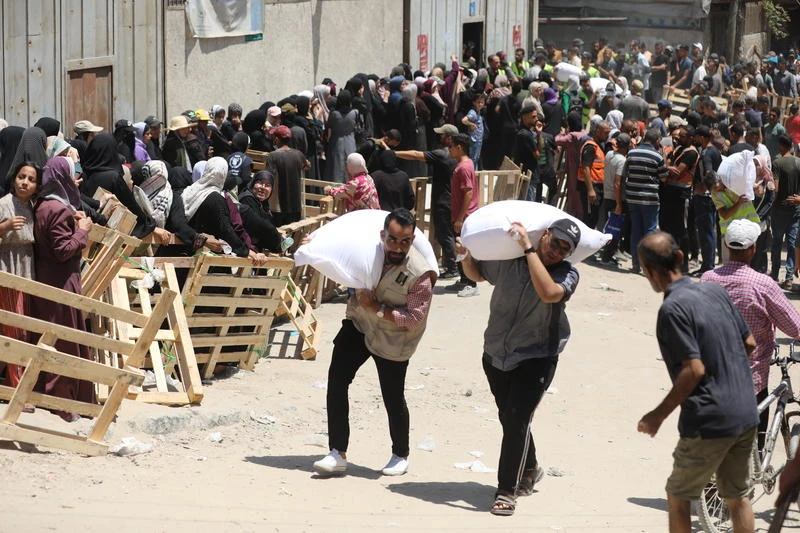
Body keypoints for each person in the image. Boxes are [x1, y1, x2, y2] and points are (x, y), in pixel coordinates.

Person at [457, 218, 581, 516]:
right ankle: (531, 467)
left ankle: (506, 490)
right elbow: (479, 274)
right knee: (511, 418)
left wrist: (528, 248)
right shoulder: (510, 261)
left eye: (565, 249)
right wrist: (465, 257)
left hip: (537, 356)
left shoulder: (567, 273)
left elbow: (549, 293)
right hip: (496, 352)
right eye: (555, 242)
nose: (557, 251)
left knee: (516, 418)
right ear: (545, 235)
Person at [637, 231, 758, 533]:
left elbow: (693, 370)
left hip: (710, 419)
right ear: (680, 257)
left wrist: (657, 415)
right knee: (737, 497)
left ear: (647, 270)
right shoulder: (714, 291)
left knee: (678, 497)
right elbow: (749, 343)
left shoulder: (672, 309)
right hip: (745, 411)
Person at [313, 208, 436, 477]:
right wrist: (312, 246)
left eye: (405, 242)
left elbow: (414, 317)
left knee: (392, 396)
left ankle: (400, 454)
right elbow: (337, 259)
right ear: (383, 235)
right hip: (360, 324)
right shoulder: (367, 253)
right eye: (392, 240)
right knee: (337, 380)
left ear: (413, 240)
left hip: (394, 338)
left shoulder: (420, 273)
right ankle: (337, 452)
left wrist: (378, 308)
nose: (398, 247)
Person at [702, 219, 800, 451]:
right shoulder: (762, 284)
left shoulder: (707, 279)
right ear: (753, 248)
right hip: (750, 380)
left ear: (726, 245)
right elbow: (795, 327)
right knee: (754, 447)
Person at [30, 157, 95, 422]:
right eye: (72, 174)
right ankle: (63, 402)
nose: (76, 180)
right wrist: (82, 231)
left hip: (48, 278)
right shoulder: (56, 209)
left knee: (53, 337)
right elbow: (63, 250)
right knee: (65, 341)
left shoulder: (44, 204)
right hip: (61, 281)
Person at [395, 124, 459, 279]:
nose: (439, 137)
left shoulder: (442, 154)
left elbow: (416, 155)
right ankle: (454, 265)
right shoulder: (457, 155)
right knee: (451, 234)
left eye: (442, 134)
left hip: (443, 200)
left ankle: (453, 268)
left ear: (449, 137)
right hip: (453, 199)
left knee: (445, 235)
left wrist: (393, 153)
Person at [0, 161, 40, 397]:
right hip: (8, 271)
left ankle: (12, 382)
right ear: (13, 179)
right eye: (21, 177)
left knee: (22, 329)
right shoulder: (4, 204)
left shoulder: (33, 206)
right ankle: (17, 389)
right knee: (15, 330)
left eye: (31, 179)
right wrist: (4, 226)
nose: (25, 182)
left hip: (26, 270)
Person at [625, 129, 668, 273]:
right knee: (650, 231)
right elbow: (664, 178)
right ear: (657, 140)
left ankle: (635, 264)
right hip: (650, 199)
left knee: (636, 230)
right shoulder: (657, 156)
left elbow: (626, 173)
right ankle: (647, 266)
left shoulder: (631, 153)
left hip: (632, 197)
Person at [447, 133, 479, 297]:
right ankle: (464, 279)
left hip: (465, 217)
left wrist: (460, 218)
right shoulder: (465, 164)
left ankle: (472, 283)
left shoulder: (464, 167)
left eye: (451, 146)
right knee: (459, 248)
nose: (449, 149)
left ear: (459, 147)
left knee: (464, 249)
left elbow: (468, 192)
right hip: (461, 215)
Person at [771, 134, 800, 289]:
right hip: (795, 209)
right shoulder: (799, 162)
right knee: (791, 243)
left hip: (779, 209)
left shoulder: (777, 163)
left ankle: (774, 274)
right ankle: (789, 278)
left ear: (782, 146)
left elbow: (775, 188)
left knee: (776, 243)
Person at [268, 125, 309, 225]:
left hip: (278, 207)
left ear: (277, 139)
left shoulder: (273, 156)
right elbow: (307, 166)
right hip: (296, 205)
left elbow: (268, 176)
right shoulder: (299, 154)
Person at [237, 171, 284, 253]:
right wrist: (278, 241)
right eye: (260, 183)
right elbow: (260, 227)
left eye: (267, 185)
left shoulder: (264, 205)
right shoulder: (247, 199)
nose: (263, 187)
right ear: (253, 184)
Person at [579, 121, 610, 229]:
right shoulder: (590, 147)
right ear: (597, 131)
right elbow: (585, 168)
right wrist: (590, 190)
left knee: (594, 217)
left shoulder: (599, 146)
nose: (607, 136)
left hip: (597, 186)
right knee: (589, 218)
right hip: (591, 187)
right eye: (605, 133)